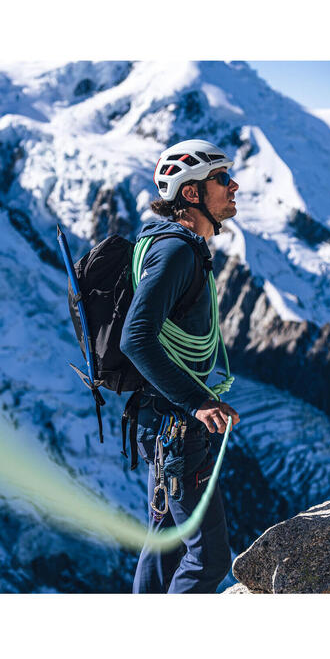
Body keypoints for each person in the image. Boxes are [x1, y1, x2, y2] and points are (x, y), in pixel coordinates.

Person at [121, 138, 241, 593]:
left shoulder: (174, 246)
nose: (233, 186)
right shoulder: (176, 252)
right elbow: (137, 337)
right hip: (177, 428)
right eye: (221, 179)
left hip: (164, 422)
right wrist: (196, 402)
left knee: (167, 544)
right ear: (190, 194)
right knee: (209, 560)